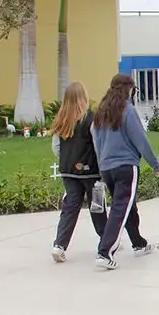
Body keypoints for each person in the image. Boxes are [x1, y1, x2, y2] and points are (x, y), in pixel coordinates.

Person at [91, 74, 159, 270]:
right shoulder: (128, 110)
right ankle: (105, 252)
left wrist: (101, 165)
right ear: (128, 89)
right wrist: (157, 166)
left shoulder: (101, 112)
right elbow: (141, 141)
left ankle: (138, 242)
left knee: (127, 206)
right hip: (126, 167)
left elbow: (97, 142)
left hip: (107, 167)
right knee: (120, 209)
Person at [50, 82, 105, 262]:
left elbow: (56, 147)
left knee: (70, 207)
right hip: (91, 171)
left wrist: (67, 160)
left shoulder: (61, 120)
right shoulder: (91, 119)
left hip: (68, 171)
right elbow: (98, 145)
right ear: (83, 98)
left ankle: (59, 245)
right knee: (97, 206)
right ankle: (106, 240)